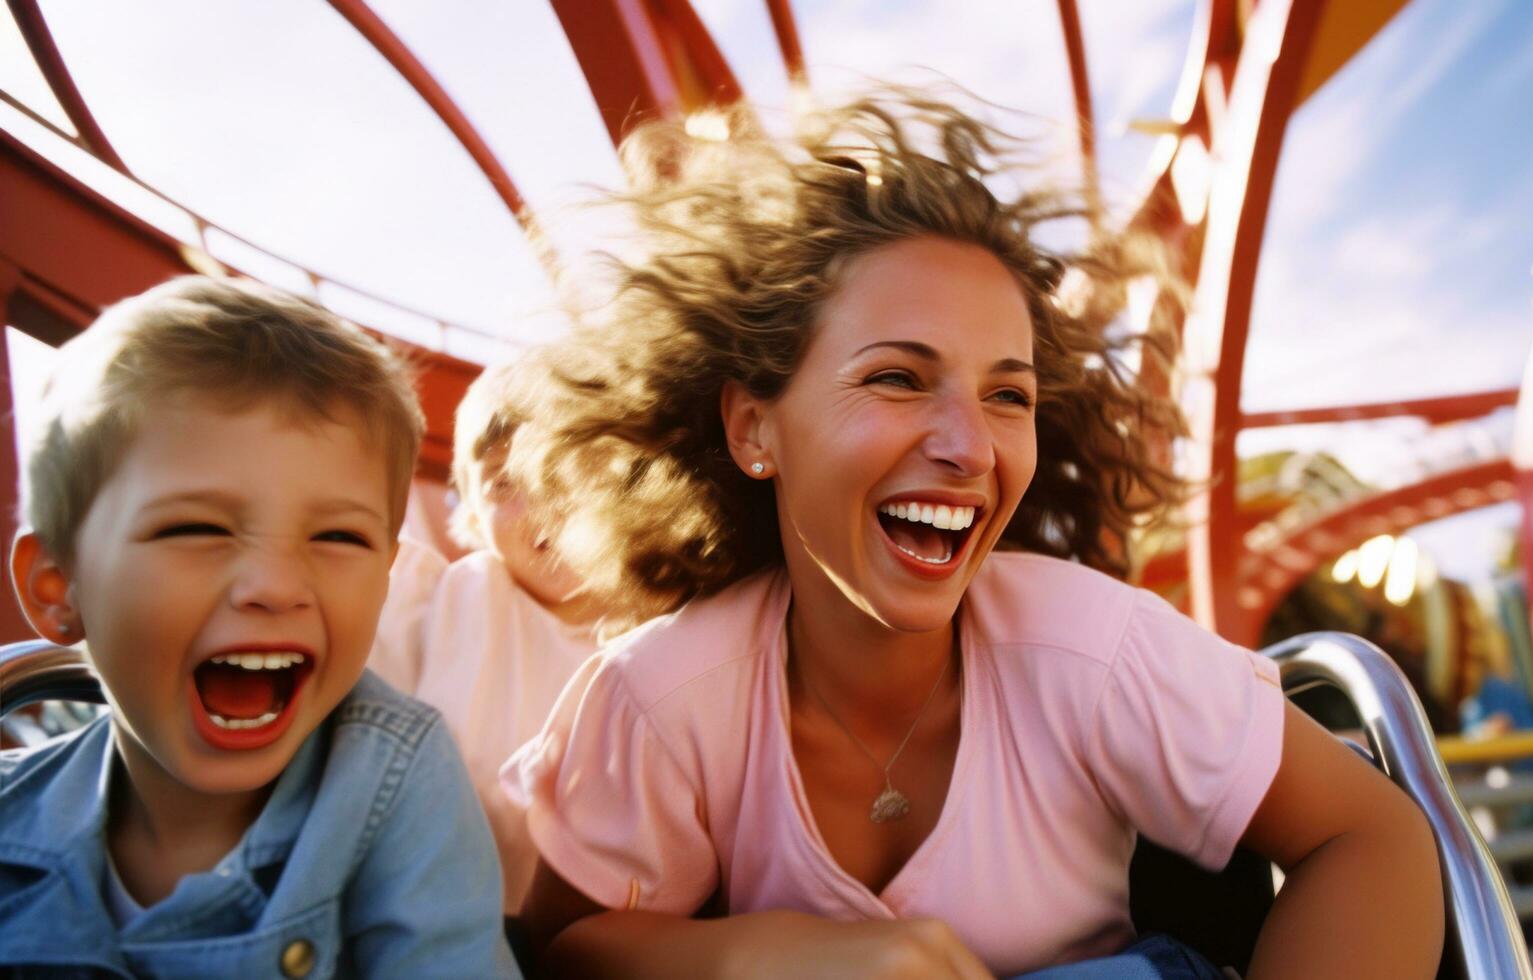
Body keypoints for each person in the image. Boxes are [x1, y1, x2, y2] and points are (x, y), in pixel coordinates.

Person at [505, 94, 1443, 978]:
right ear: (754, 428)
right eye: (898, 379)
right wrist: (757, 955)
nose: (968, 448)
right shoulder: (659, 702)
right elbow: (566, 945)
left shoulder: (1096, 649)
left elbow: (1373, 835)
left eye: (1007, 396)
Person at [0, 276, 519, 977]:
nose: (276, 586)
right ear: (58, 588)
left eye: (338, 537)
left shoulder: (393, 779)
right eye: (197, 527)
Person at [371, 354, 630, 911]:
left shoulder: (663, 633)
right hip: (421, 917)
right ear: (469, 511)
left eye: (567, 469)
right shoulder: (442, 602)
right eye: (503, 483)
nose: (543, 506)